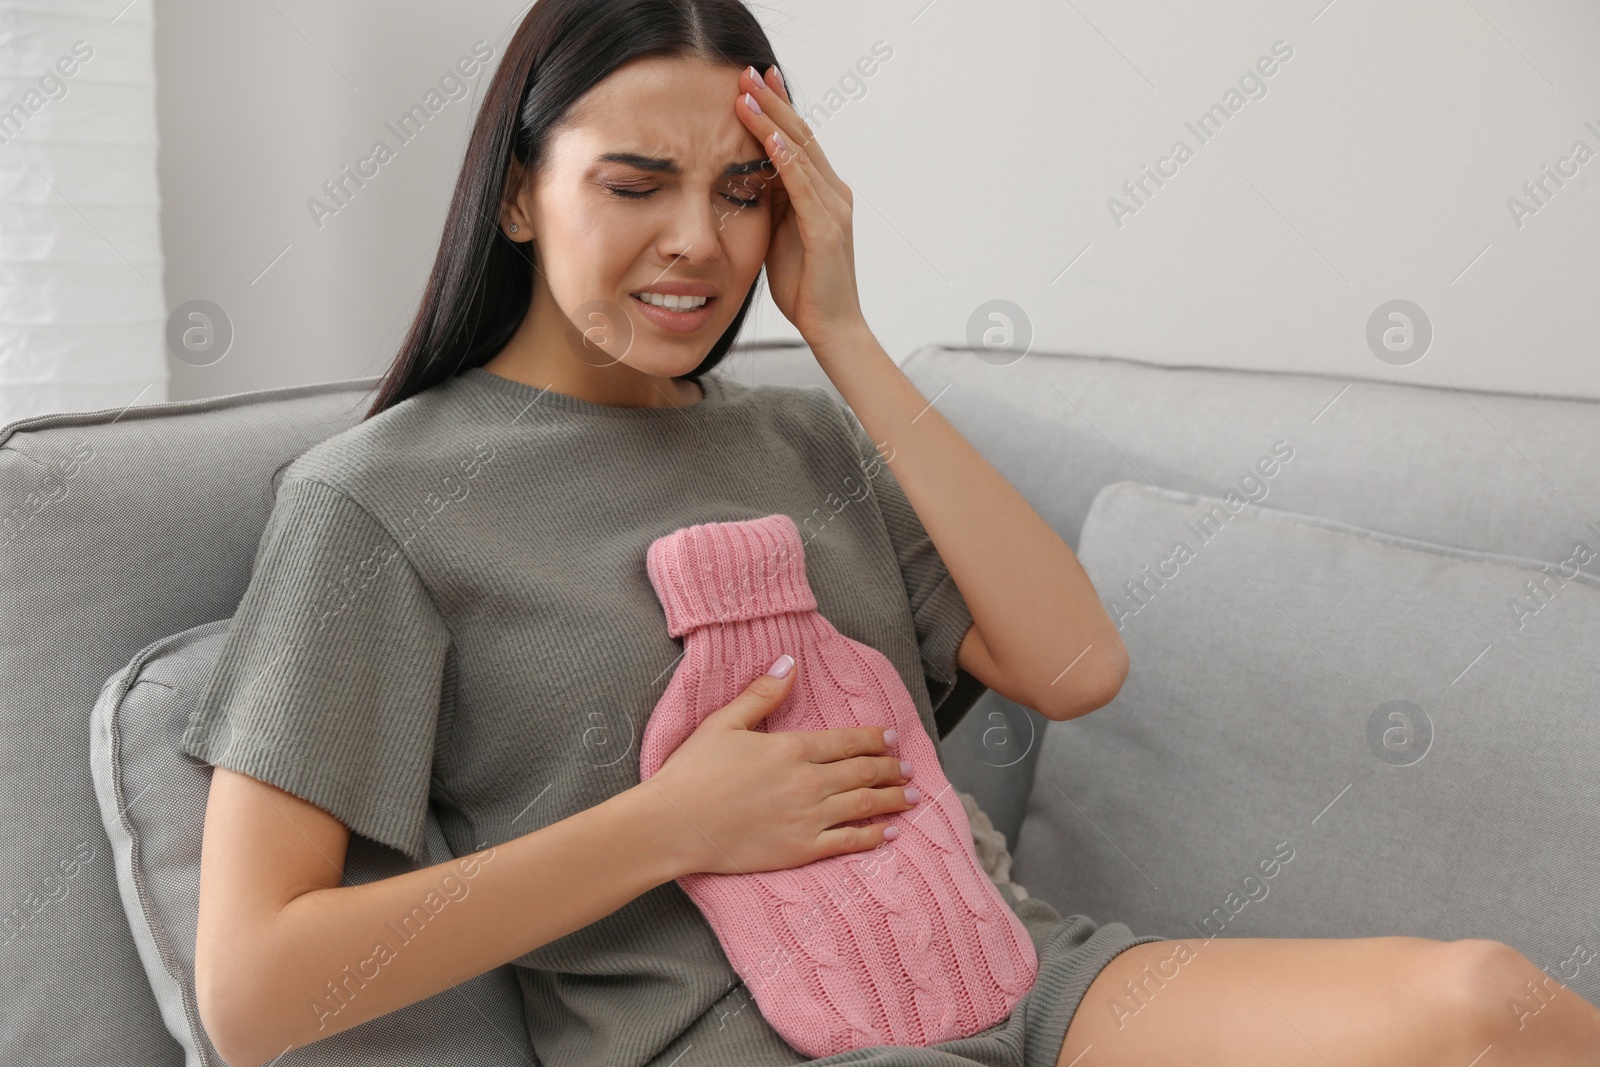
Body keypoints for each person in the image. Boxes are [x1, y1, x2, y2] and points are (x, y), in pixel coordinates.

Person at [182, 2, 1600, 1066]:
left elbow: (1077, 663)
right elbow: (251, 992)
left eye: (742, 190)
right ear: (514, 192)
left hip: (1015, 978)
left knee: (1480, 1007)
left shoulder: (802, 433)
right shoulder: (370, 504)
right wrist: (669, 827)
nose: (697, 240)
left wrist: (841, 331)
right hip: (745, 1043)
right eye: (635, 183)